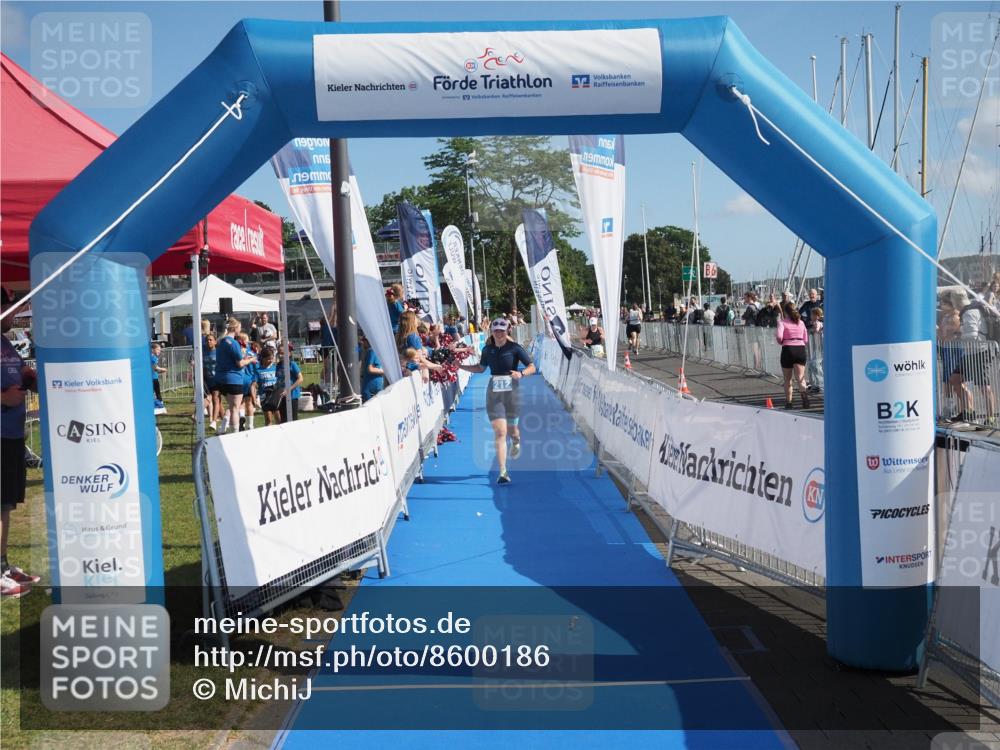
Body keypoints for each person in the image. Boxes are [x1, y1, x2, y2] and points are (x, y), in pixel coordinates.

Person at [458, 318, 535, 485]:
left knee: (512, 430)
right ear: (492, 332)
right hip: (494, 393)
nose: (499, 333)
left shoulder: (515, 348)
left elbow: (532, 366)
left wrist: (521, 374)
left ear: (507, 331)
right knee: (500, 432)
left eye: (502, 330)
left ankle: (516, 440)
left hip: (512, 393)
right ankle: (503, 471)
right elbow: (480, 368)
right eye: (496, 330)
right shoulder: (487, 350)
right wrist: (460, 366)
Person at [1, 288, 40, 597]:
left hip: (11, 435)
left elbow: (18, 371)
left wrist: (28, 376)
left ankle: (3, 564)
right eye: (9, 309)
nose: (13, 315)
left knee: (6, 505)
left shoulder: (4, 342)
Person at [215, 318, 256, 433]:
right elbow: (240, 364)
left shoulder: (221, 341)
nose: (240, 329)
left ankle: (226, 429)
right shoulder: (233, 343)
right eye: (239, 327)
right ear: (234, 328)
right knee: (235, 408)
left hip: (220, 379)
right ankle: (235, 433)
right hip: (233, 379)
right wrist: (250, 360)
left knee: (232, 406)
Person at [776, 302, 810, 409]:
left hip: (788, 349)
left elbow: (779, 336)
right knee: (801, 378)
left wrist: (782, 342)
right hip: (800, 349)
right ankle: (805, 399)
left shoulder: (782, 322)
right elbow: (806, 339)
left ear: (785, 312)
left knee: (787, 379)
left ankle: (789, 402)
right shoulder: (801, 323)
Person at [275, 344, 304, 423]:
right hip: (281, 396)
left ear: (289, 353)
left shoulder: (292, 364)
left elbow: (300, 379)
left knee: (293, 420)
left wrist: (289, 389)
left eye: (282, 353)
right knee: (283, 420)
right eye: (279, 353)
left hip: (292, 396)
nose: (280, 355)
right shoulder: (278, 365)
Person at [256, 347, 280, 426]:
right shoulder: (258, 370)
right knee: (268, 419)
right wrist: (256, 397)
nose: (270, 361)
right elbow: (255, 385)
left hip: (276, 396)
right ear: (263, 358)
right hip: (264, 397)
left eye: (272, 359)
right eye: (268, 359)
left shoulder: (276, 368)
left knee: (279, 418)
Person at [360, 334, 385, 402]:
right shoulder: (372, 351)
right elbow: (370, 369)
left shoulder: (371, 351)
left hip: (370, 388)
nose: (363, 343)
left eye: (364, 341)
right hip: (371, 389)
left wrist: (384, 371)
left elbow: (370, 369)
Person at [151, 343, 167, 409]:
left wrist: (160, 371)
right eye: (157, 349)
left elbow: (154, 369)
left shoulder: (151, 357)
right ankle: (161, 406)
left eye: (160, 350)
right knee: (157, 392)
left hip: (152, 377)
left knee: (154, 392)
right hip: (153, 378)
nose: (159, 351)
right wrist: (162, 369)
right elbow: (155, 368)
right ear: (152, 350)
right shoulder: (153, 357)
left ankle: (157, 405)